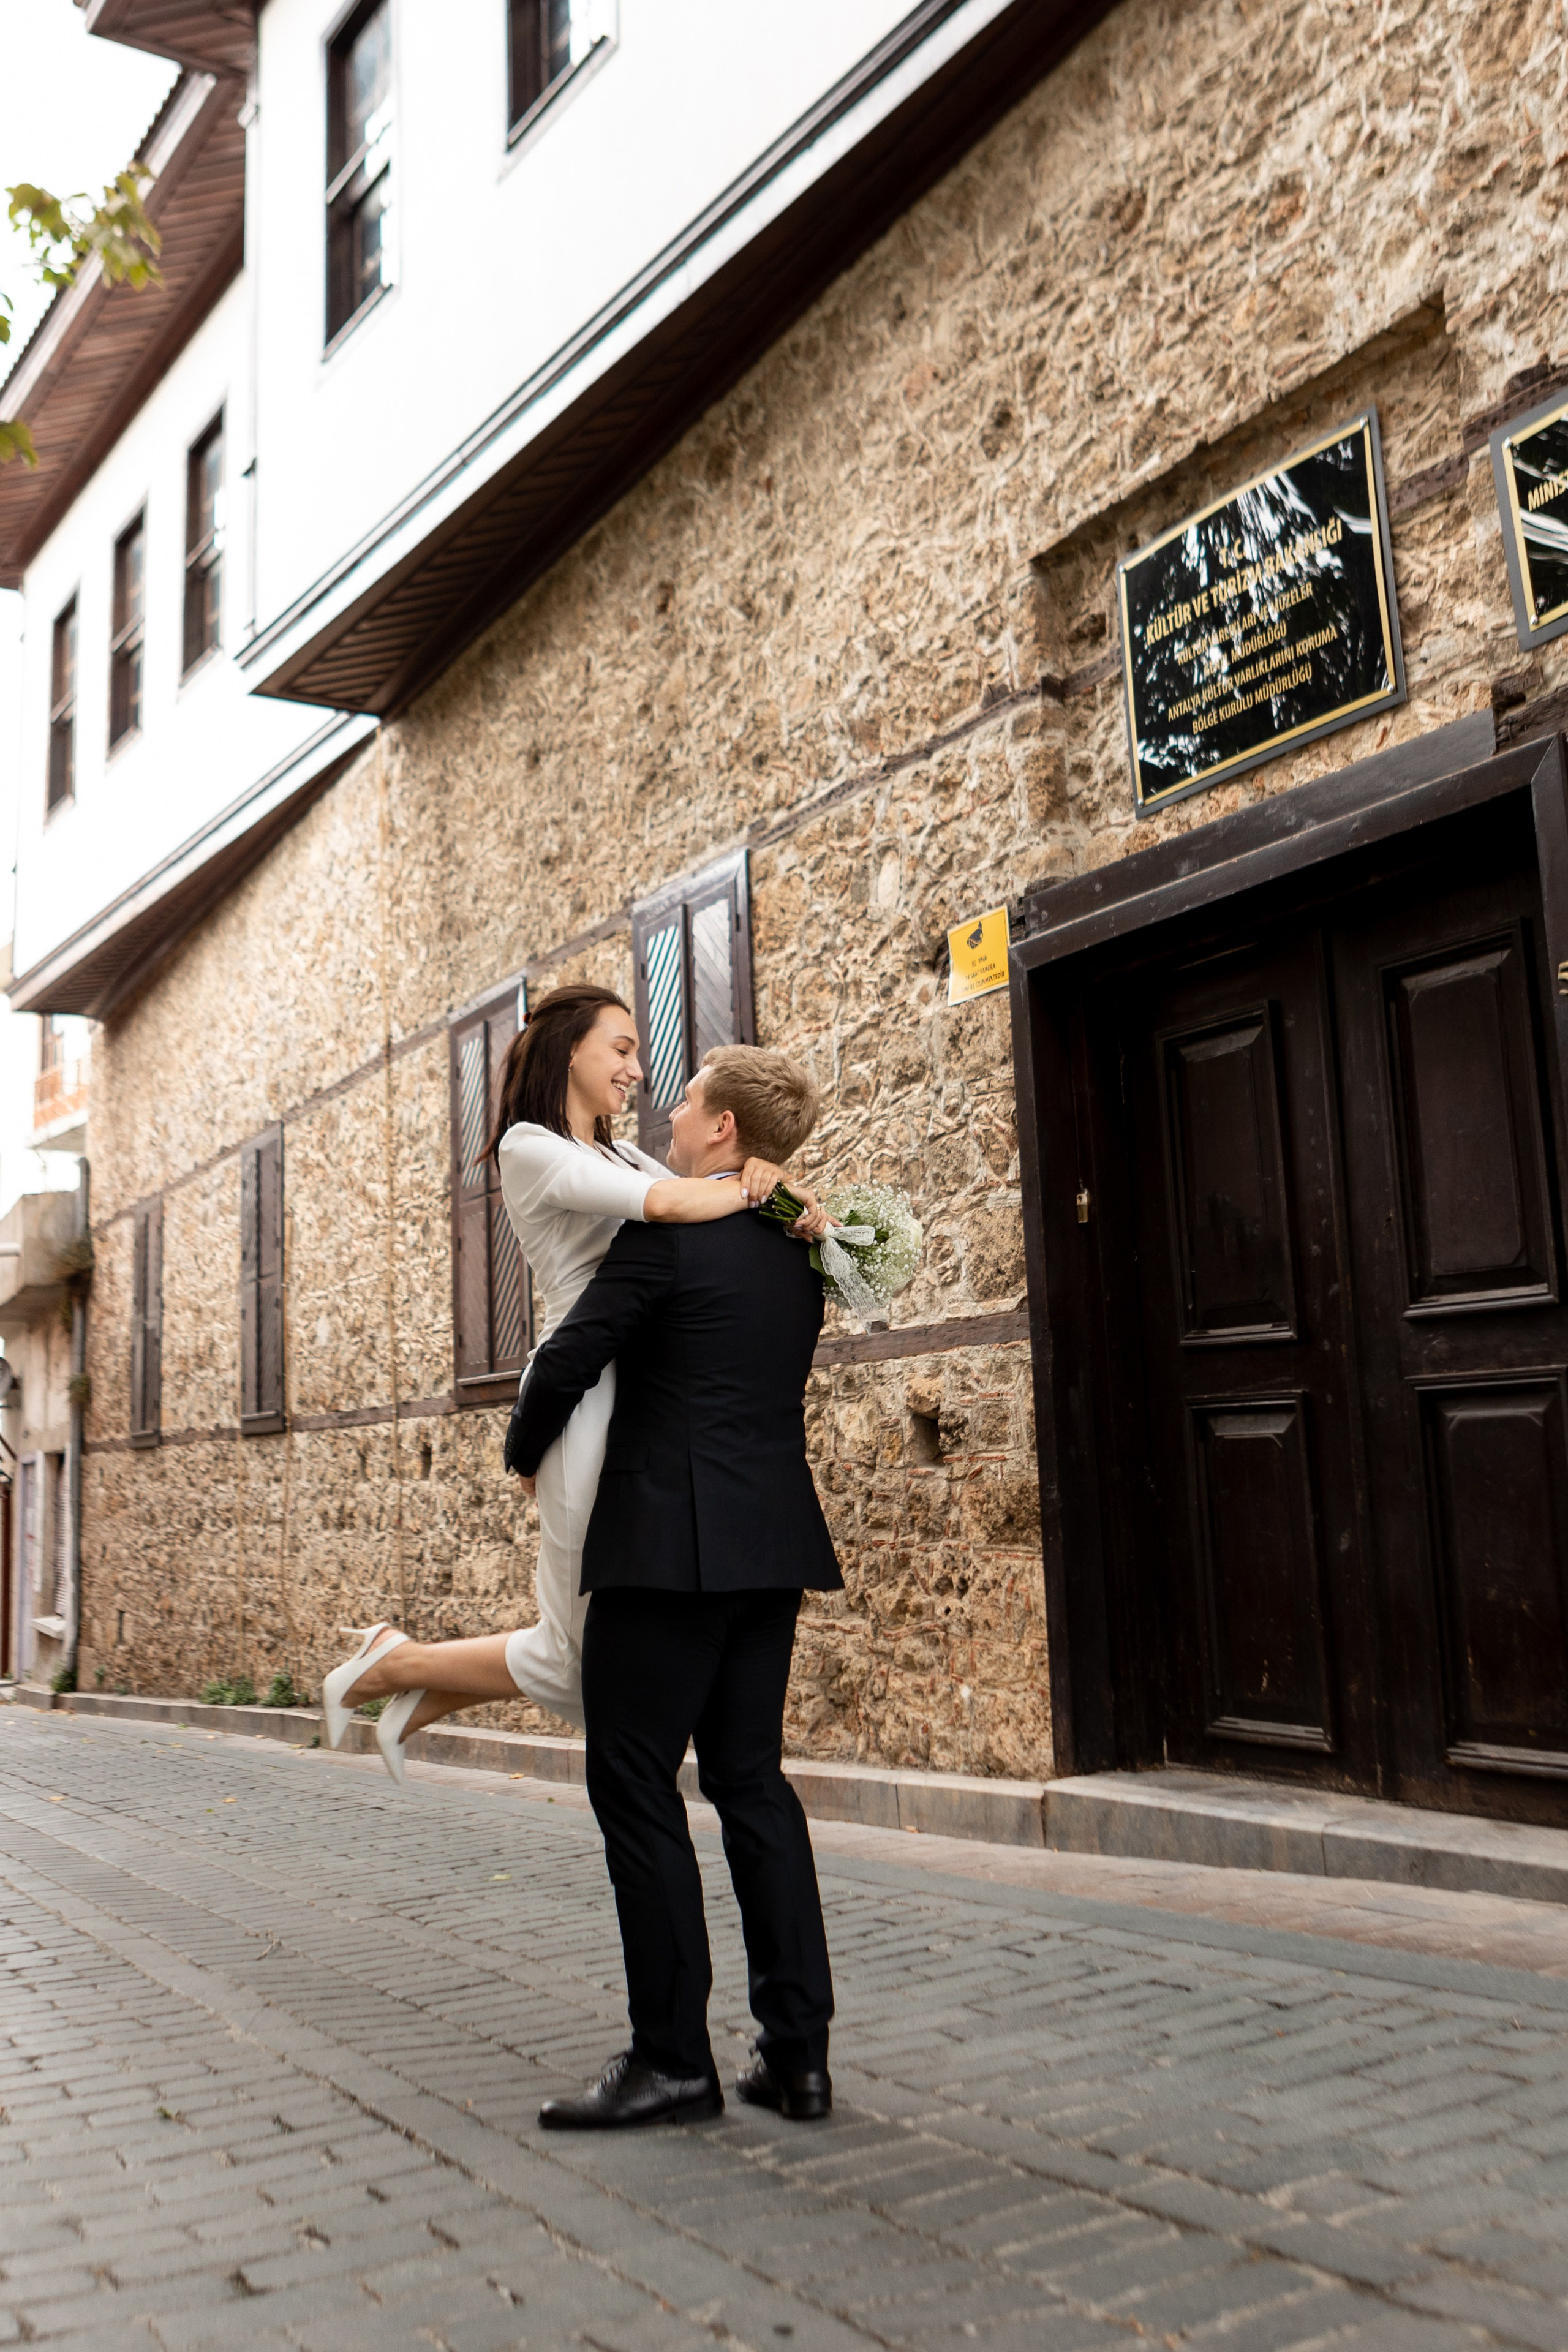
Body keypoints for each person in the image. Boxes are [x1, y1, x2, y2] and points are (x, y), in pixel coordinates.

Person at [320, 986, 826, 1777]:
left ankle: (411, 1675)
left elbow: (700, 1188)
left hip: (640, 1399)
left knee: (603, 1651)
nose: (636, 1070)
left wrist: (773, 1179)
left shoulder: (620, 1152)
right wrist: (759, 1187)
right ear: (569, 1051)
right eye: (621, 1049)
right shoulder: (530, 1147)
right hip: (580, 1400)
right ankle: (401, 1666)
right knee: (596, 1656)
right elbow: (669, 1203)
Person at [511, 1042, 843, 2132]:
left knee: (633, 1781)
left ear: (725, 1131)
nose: (673, 1117)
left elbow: (573, 1354)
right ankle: (796, 2058)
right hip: (773, 1546)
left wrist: (522, 1451)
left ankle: (672, 2061)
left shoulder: (664, 1240)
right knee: (752, 1785)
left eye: (690, 1103)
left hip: (663, 1551)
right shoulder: (803, 1248)